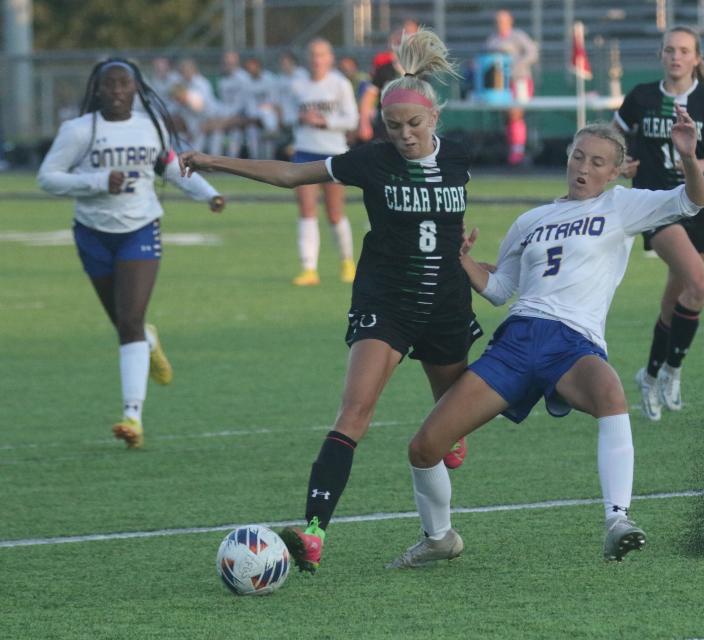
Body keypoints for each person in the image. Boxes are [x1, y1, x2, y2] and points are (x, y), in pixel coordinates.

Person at [179, 29, 481, 572]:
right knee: (354, 410)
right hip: (386, 301)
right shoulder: (371, 160)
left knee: (449, 421)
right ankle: (314, 531)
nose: (405, 136)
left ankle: (443, 504)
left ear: (434, 116)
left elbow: (448, 222)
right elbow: (294, 174)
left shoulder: (458, 157)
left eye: (413, 124)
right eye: (393, 127)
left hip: (446, 303)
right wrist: (214, 161)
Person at [386, 118, 704, 568]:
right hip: (517, 341)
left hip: (573, 344)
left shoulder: (622, 206)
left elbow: (693, 200)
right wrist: (463, 261)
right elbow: (501, 290)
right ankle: (439, 538)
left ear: (614, 172)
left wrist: (689, 158)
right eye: (578, 156)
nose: (584, 168)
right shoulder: (530, 220)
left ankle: (618, 520)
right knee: (424, 446)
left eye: (597, 162)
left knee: (610, 392)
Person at [37, 58, 225, 449]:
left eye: (125, 85)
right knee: (126, 324)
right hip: (92, 233)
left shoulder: (150, 125)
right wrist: (96, 181)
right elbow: (48, 177)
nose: (118, 91)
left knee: (129, 320)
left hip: (140, 227)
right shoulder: (78, 130)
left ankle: (132, 417)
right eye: (110, 85)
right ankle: (149, 342)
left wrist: (208, 193)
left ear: (137, 89)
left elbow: (170, 168)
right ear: (98, 89)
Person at [613, 25, 704, 422]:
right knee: (699, 285)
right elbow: (608, 141)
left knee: (677, 298)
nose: (676, 57)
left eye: (684, 51)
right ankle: (671, 370)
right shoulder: (642, 97)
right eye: (670, 50)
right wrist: (621, 163)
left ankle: (651, 375)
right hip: (657, 207)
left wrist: (694, 162)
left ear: (696, 58)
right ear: (661, 55)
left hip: (698, 207)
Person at [288, 38, 359, 286]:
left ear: (330, 58)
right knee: (307, 211)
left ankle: (347, 262)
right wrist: (299, 117)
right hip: (305, 152)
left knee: (334, 212)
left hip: (333, 153)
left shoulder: (340, 84)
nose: (317, 60)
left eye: (321, 55)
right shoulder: (297, 84)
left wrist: (323, 122)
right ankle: (309, 268)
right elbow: (286, 114)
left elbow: (352, 119)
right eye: (313, 55)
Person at [486, 9, 539, 166]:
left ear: (510, 21)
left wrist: (515, 65)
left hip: (520, 81)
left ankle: (518, 150)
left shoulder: (518, 36)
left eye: (503, 21)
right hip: (501, 85)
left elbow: (532, 53)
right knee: (507, 117)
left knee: (516, 113)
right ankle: (512, 147)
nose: (500, 24)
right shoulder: (492, 40)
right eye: (498, 21)